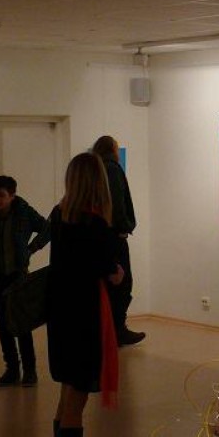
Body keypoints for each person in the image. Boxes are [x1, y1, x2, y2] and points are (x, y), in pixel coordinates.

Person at [47, 153, 124, 437]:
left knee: (67, 392)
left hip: (62, 314)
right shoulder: (94, 224)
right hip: (85, 316)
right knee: (76, 396)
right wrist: (117, 273)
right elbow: (109, 270)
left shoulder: (60, 215)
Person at [0, 175, 49, 386]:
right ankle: (12, 369)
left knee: (22, 322)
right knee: (2, 323)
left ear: (12, 195)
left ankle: (30, 371)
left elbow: (47, 228)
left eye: (1, 195)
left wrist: (31, 248)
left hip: (17, 275)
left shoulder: (25, 213)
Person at [90, 135, 143, 346]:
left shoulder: (95, 170)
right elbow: (117, 204)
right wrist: (124, 226)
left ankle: (109, 332)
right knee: (121, 284)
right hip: (114, 237)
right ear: (112, 149)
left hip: (101, 236)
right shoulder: (112, 168)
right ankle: (118, 331)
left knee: (109, 286)